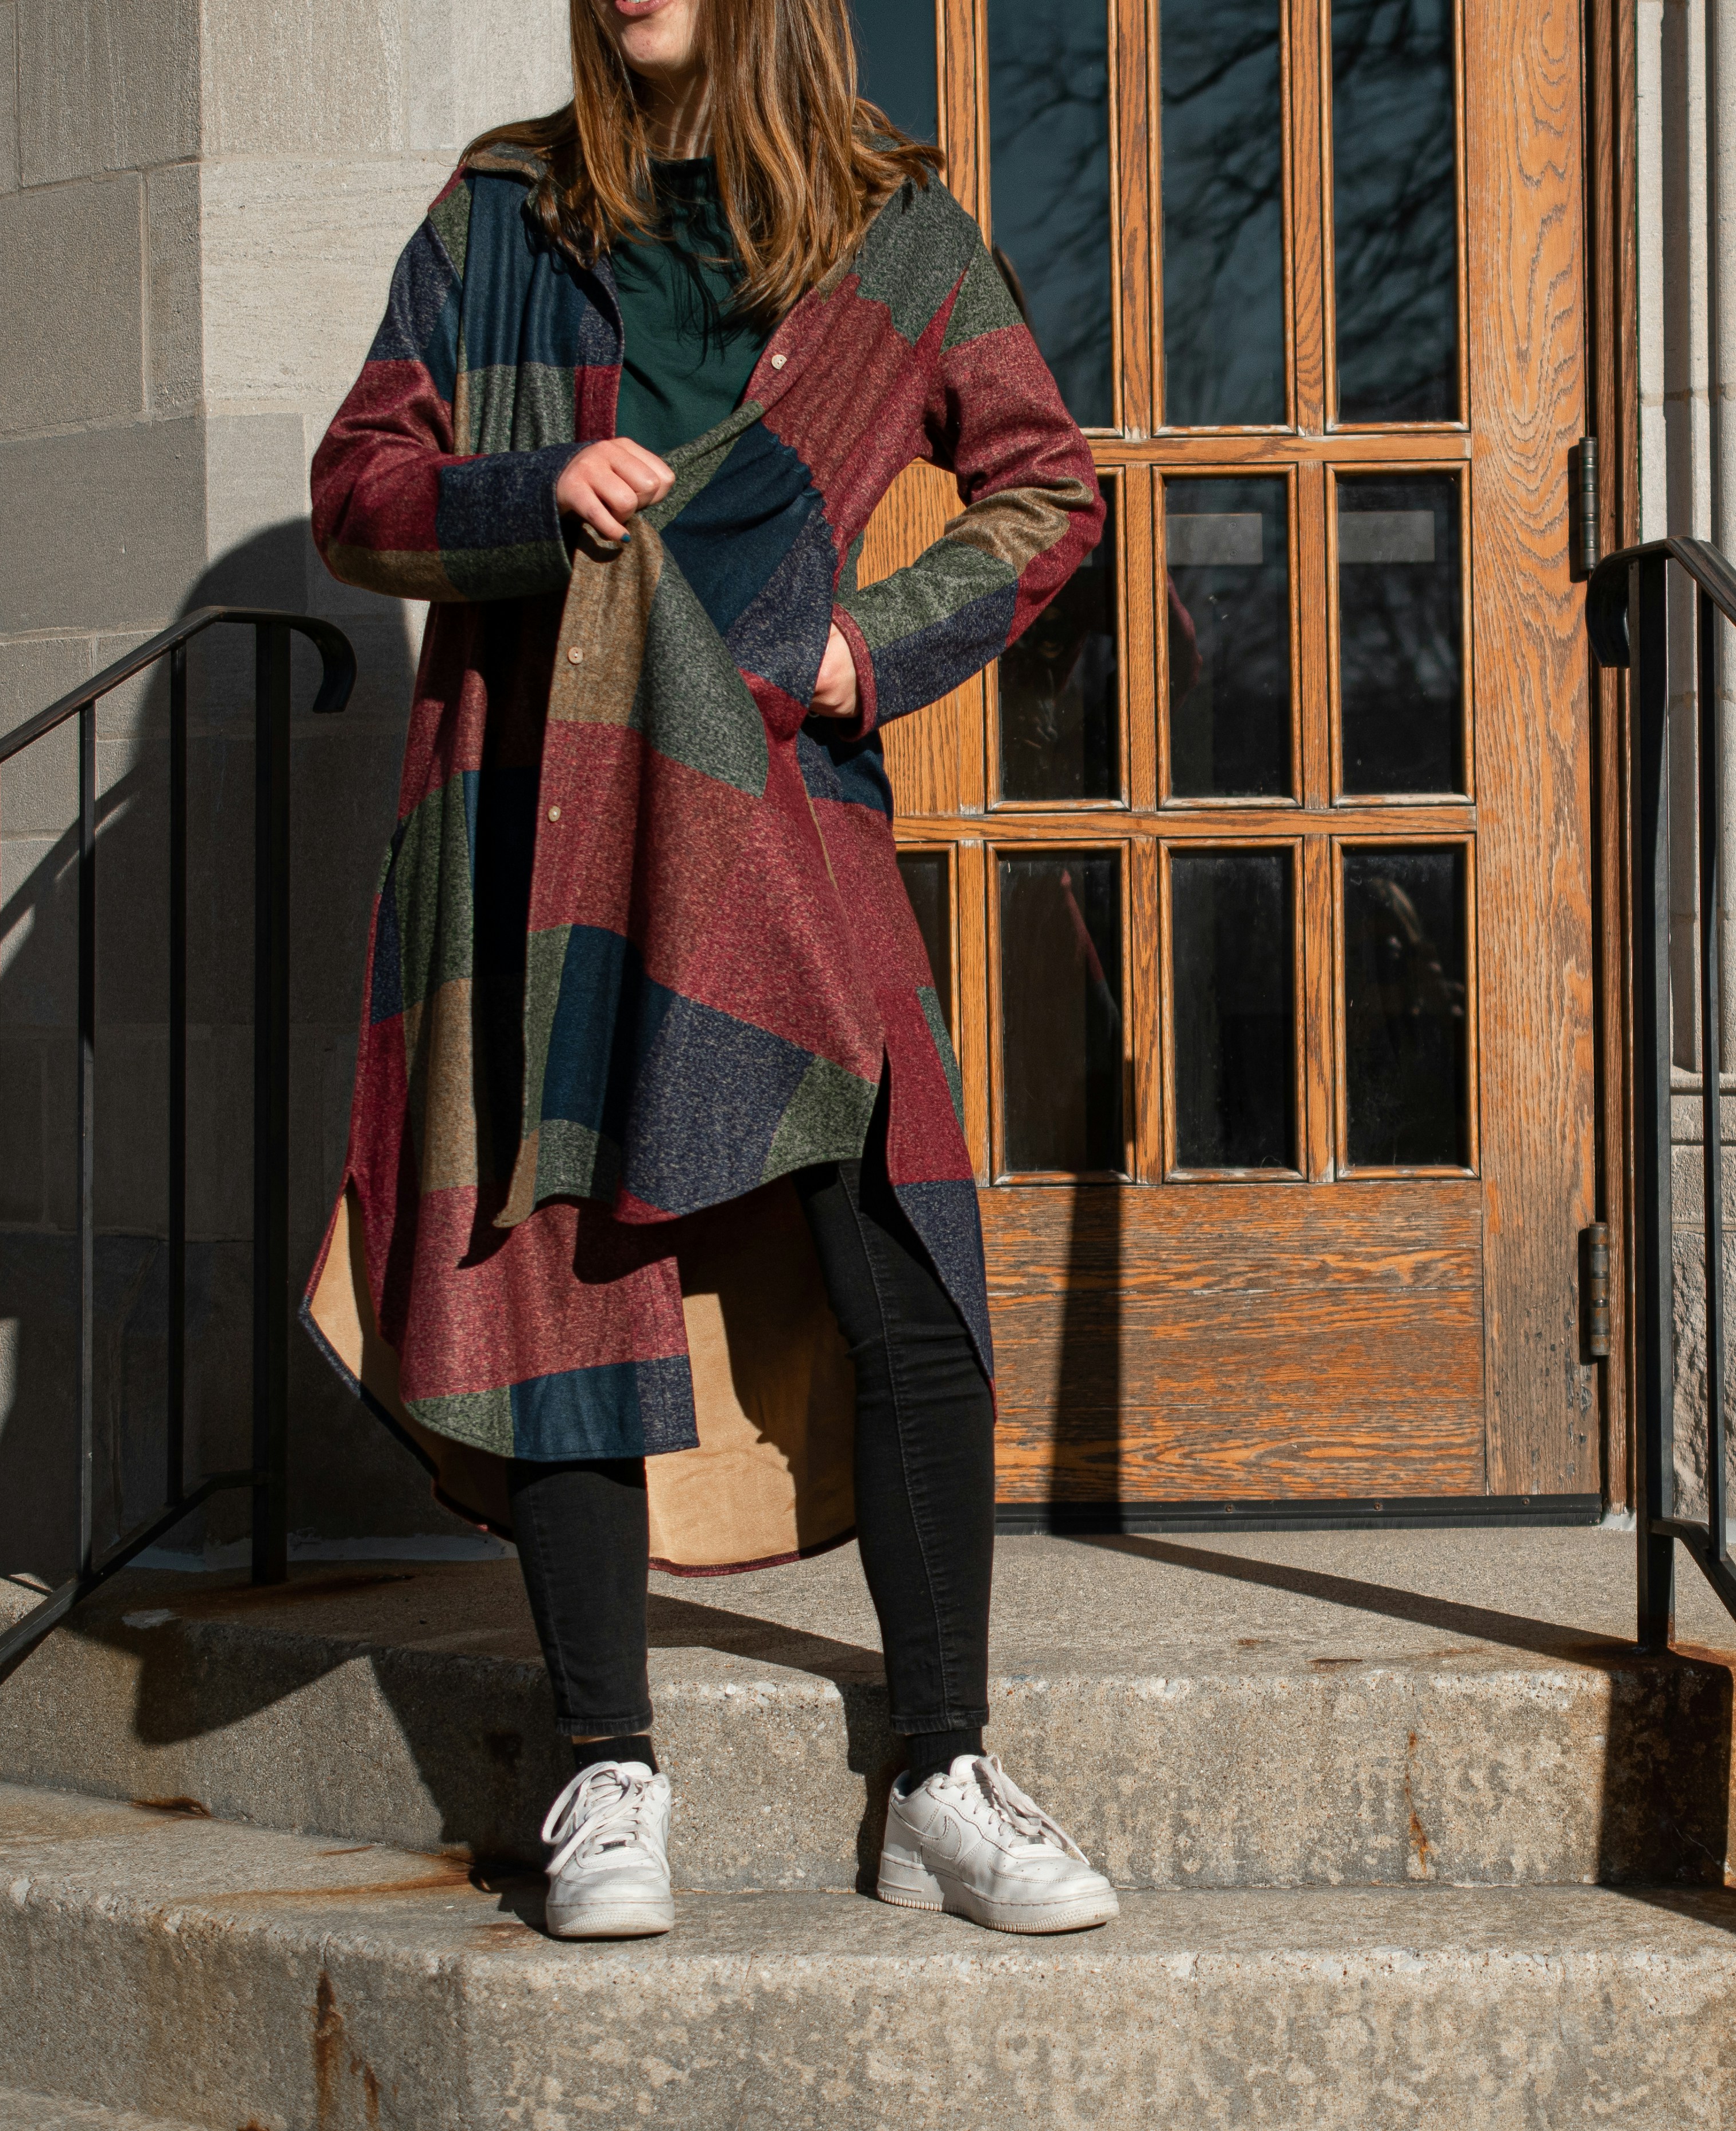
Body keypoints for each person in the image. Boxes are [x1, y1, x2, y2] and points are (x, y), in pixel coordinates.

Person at [304, 0, 1113, 1942]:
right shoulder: (503, 212)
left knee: (902, 1256)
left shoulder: (888, 222)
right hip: (545, 811)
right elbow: (356, 484)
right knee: (563, 1259)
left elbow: (1049, 486)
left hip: (776, 811)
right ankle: (607, 1770)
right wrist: (530, 489)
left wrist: (866, 652)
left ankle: (945, 1772)